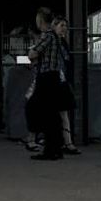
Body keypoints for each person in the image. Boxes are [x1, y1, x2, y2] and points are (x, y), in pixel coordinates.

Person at [26, 8, 64, 160]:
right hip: (52, 78)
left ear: (40, 20)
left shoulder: (47, 35)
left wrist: (31, 52)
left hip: (46, 78)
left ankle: (48, 149)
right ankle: (56, 148)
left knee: (36, 109)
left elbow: (33, 53)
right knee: (52, 114)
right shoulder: (54, 36)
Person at [52, 16, 81, 155]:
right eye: (61, 25)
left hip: (61, 81)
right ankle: (65, 142)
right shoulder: (54, 42)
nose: (64, 28)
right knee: (59, 113)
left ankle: (66, 142)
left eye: (65, 26)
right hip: (55, 80)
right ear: (55, 26)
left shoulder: (62, 42)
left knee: (62, 113)